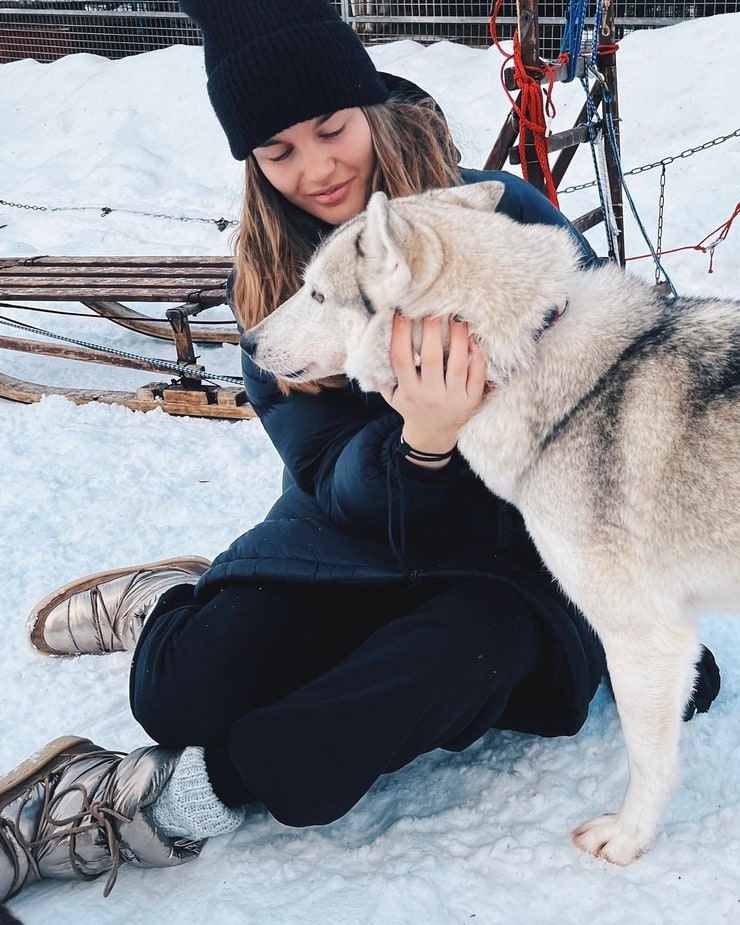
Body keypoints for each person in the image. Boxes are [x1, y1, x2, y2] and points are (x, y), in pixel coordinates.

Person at [0, 0, 720, 905]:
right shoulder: (270, 286)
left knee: (430, 678)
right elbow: (324, 476)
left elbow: (609, 395)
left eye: (331, 128)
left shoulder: (496, 215)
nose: (317, 167)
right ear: (252, 164)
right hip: (359, 538)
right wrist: (422, 439)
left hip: (512, 566)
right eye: (277, 152)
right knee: (180, 692)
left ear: (369, 105)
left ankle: (165, 802)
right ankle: (166, 604)